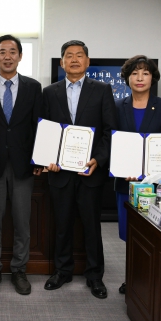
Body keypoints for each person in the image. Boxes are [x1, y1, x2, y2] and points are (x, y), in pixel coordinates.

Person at [42, 39, 117, 299]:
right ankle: (62, 271)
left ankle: (95, 276)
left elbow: (110, 132)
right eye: (69, 56)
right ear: (62, 62)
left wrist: (98, 159)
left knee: (91, 226)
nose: (74, 59)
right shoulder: (49, 92)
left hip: (90, 172)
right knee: (61, 225)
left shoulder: (102, 90)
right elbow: (45, 132)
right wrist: (46, 158)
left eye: (79, 55)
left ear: (87, 61)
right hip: (60, 172)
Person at [0, 35, 42, 295]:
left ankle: (19, 270)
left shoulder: (33, 87)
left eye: (12, 51)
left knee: (22, 222)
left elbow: (38, 125)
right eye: (2, 51)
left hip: (23, 165)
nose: (7, 56)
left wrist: (38, 158)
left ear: (20, 56)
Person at [114, 55, 161, 294]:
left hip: (155, 184)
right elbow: (113, 142)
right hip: (125, 184)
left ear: (153, 78)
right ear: (127, 78)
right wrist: (121, 167)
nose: (140, 78)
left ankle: (152, 280)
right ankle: (133, 279)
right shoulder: (118, 106)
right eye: (134, 73)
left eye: (145, 73)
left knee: (154, 233)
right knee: (130, 234)